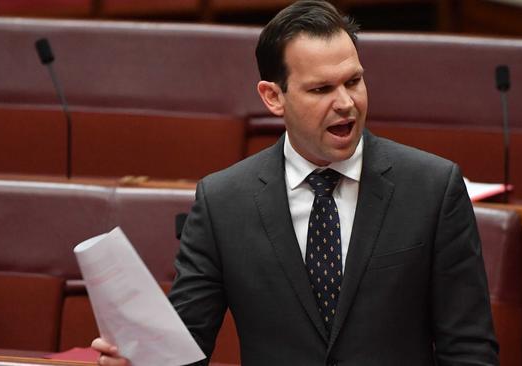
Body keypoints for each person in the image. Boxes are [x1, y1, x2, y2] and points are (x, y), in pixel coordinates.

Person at [92, 1, 499, 365]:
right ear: (273, 97)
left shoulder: (432, 187)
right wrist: (138, 361)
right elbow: (181, 352)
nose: (345, 103)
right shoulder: (223, 203)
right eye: (321, 89)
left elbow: (468, 349)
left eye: (353, 81)